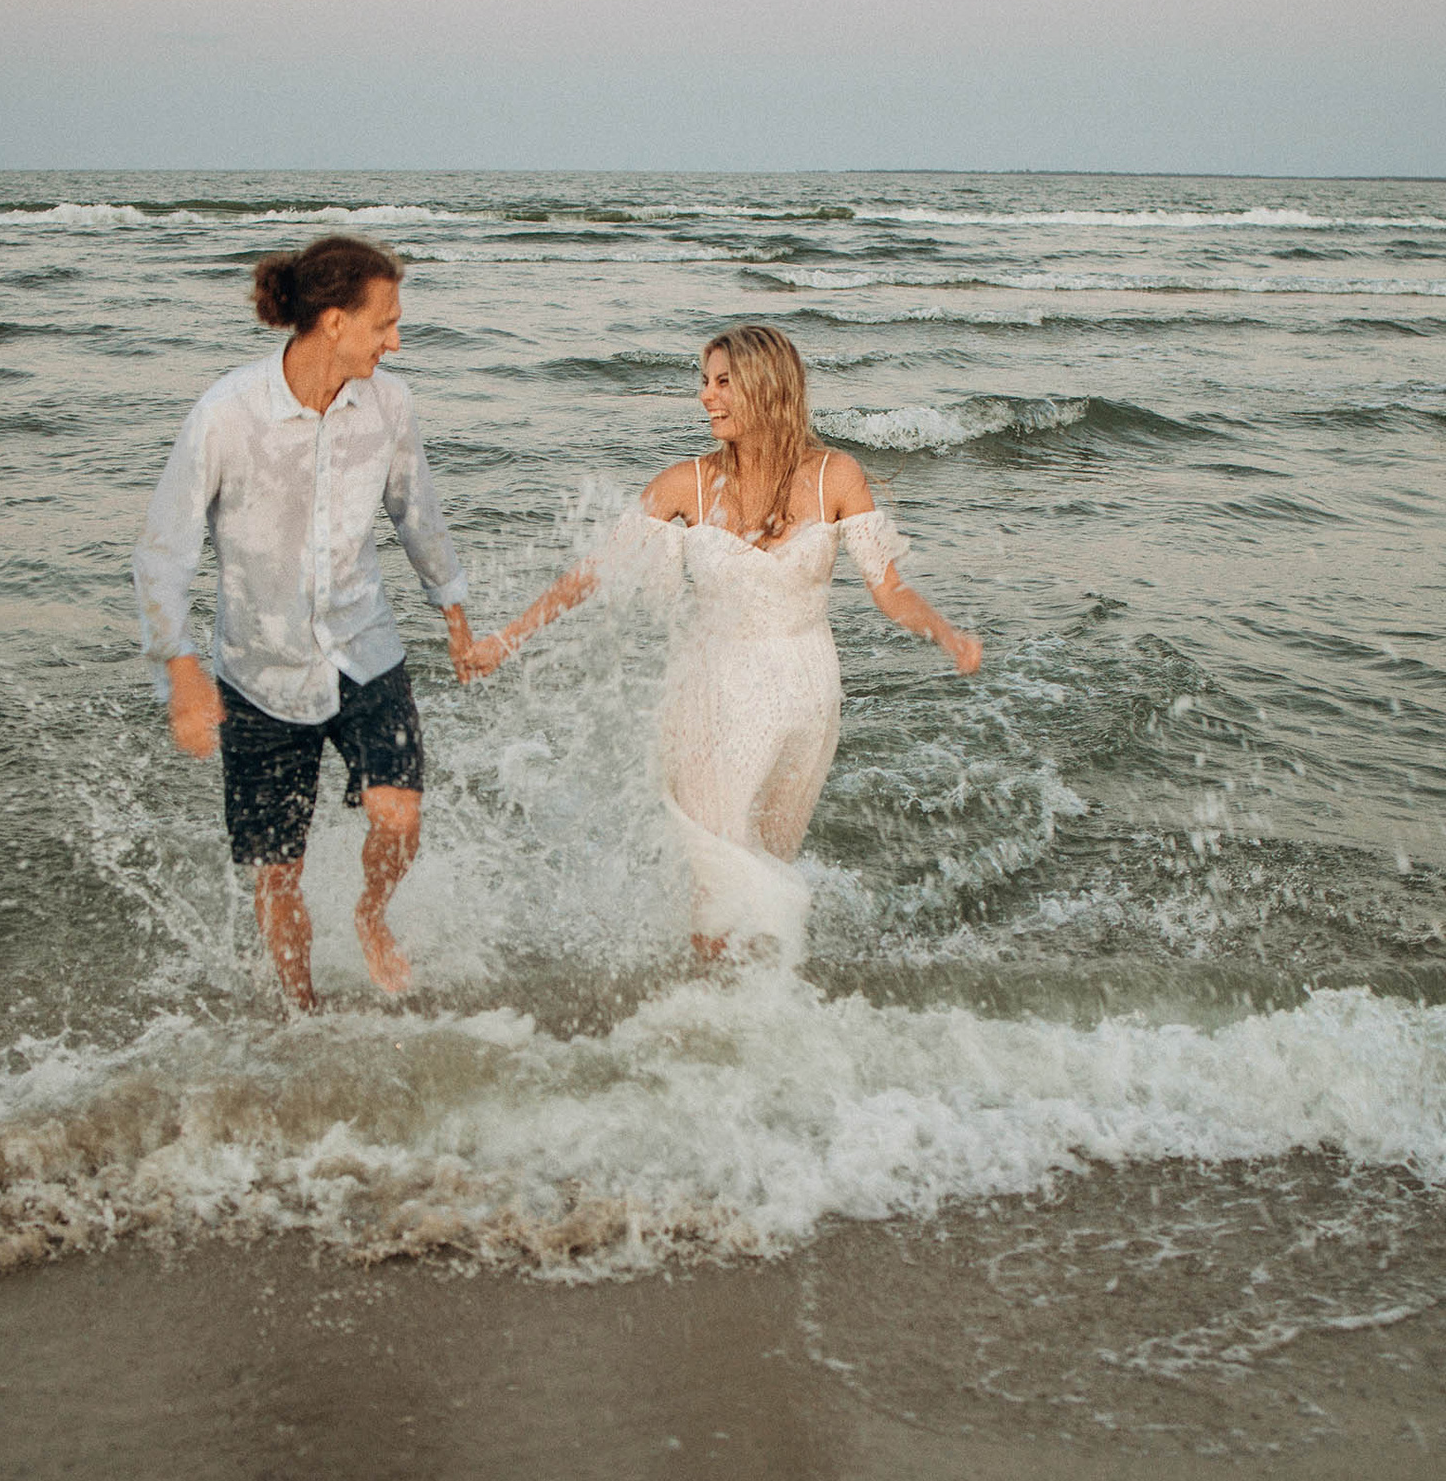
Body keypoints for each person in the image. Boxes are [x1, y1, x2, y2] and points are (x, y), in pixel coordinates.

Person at [467, 323, 982, 957]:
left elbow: (890, 589)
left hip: (807, 697)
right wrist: (507, 639)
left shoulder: (835, 477)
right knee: (718, 872)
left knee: (766, 854)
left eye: (723, 383)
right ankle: (705, 1010)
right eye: (704, 382)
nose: (706, 397)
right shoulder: (685, 482)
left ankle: (754, 1006)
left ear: (767, 388)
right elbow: (595, 571)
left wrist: (946, 633)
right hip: (714, 692)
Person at [132, 235, 476, 1009]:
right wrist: (180, 668)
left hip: (364, 649)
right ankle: (302, 1012)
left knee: (399, 813)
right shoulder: (227, 415)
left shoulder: (391, 405)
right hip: (258, 672)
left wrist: (452, 609)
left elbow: (418, 516)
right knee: (277, 872)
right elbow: (161, 555)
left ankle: (370, 913)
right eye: (383, 322)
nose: (396, 338)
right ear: (331, 322)